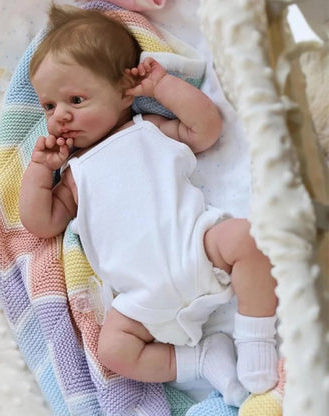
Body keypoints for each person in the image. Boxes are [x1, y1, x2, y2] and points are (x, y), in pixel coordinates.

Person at [19, 4, 278, 407]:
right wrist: (38, 170)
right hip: (141, 298)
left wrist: (162, 88)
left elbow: (206, 128)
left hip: (197, 248)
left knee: (246, 240)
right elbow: (41, 223)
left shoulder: (149, 130)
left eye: (75, 98)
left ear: (125, 89)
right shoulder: (74, 174)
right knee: (113, 351)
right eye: (49, 106)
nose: (60, 116)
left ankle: (256, 335)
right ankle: (201, 359)